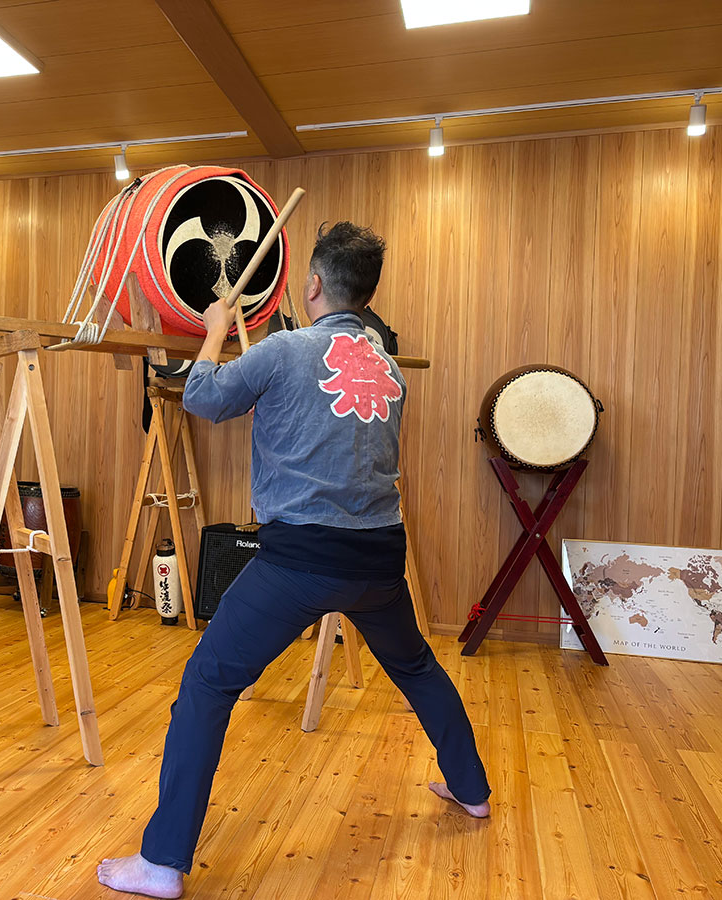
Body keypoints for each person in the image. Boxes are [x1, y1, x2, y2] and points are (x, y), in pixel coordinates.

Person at [97, 222, 490, 899]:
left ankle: (162, 862)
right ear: (365, 294)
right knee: (418, 665)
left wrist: (217, 328)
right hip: (379, 558)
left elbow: (202, 398)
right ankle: (470, 788)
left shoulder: (285, 350)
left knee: (207, 684)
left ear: (311, 285)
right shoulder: (389, 367)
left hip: (302, 561)